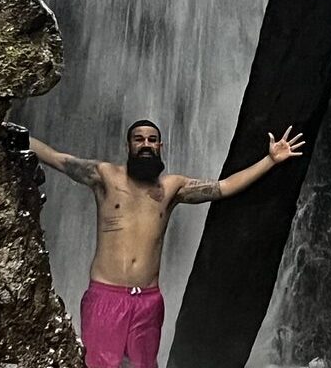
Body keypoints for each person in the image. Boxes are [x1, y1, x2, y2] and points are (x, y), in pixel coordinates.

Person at [28, 119, 305, 368]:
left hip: (148, 301)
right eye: (139, 139)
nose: (145, 144)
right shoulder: (105, 176)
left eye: (151, 140)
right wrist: (3, 125)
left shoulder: (172, 187)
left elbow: (224, 187)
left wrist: (270, 160)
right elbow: (55, 158)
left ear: (160, 146)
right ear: (128, 145)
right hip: (106, 296)